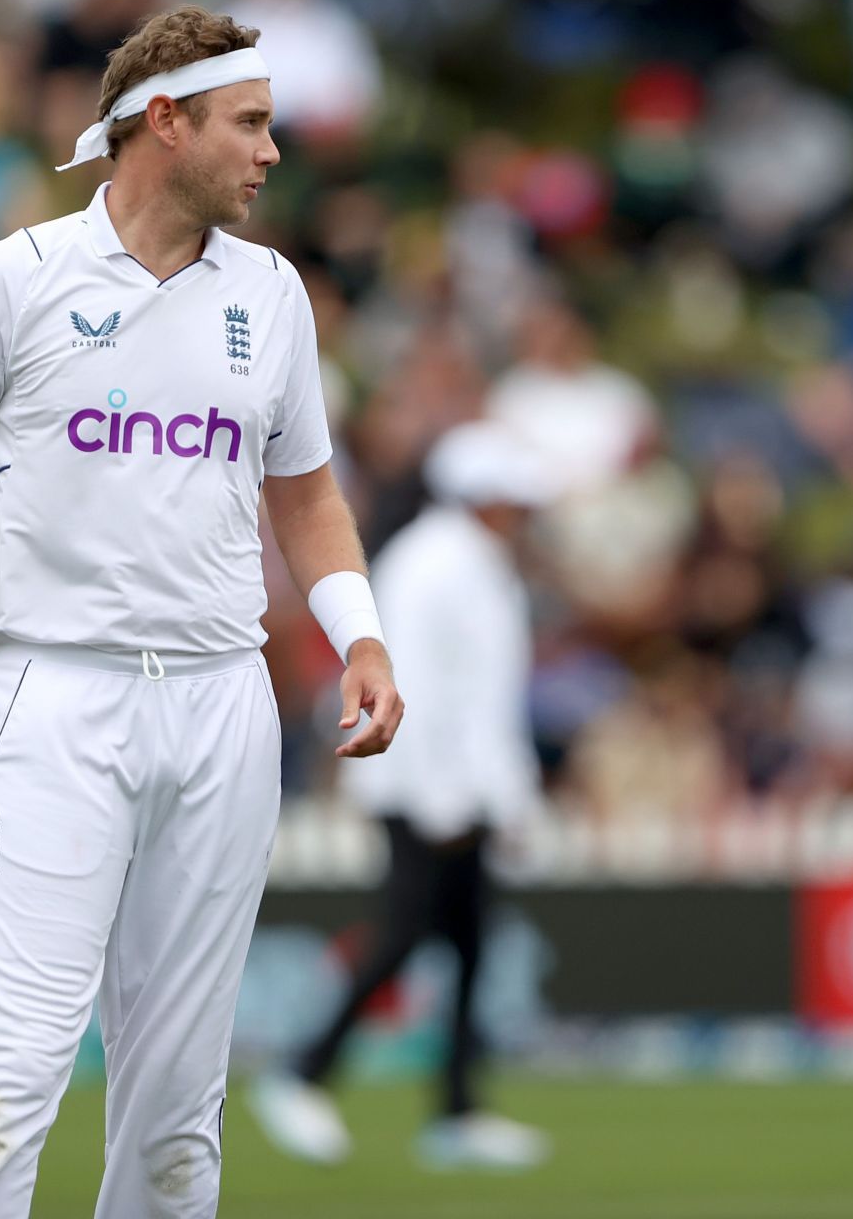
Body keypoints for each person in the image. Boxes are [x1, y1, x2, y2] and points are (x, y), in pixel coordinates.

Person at [0, 6, 404, 1219]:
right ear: (164, 123)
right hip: (55, 695)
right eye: (250, 124)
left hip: (223, 703)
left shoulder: (275, 295)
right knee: (13, 1075)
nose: (271, 152)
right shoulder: (6, 284)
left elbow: (310, 499)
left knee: (179, 1109)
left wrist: (363, 636)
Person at [253, 422, 552, 1172]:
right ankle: (303, 1073)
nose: (522, 513)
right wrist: (454, 799)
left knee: (469, 942)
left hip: (456, 792)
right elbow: (415, 685)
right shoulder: (437, 564)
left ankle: (456, 1109)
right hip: (425, 789)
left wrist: (501, 799)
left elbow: (485, 699)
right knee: (405, 932)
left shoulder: (476, 563)